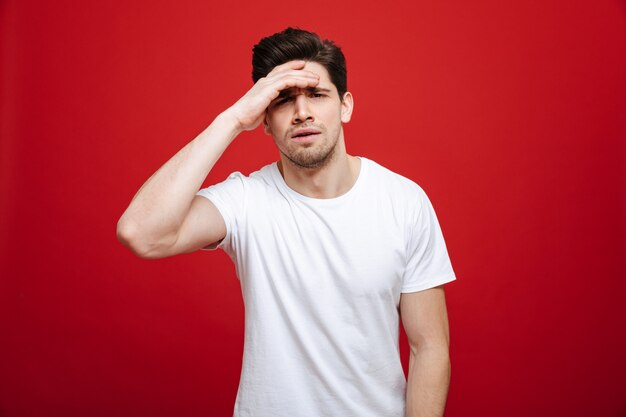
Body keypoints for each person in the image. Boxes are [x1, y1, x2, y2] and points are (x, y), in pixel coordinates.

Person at [117, 27, 456, 417]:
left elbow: (428, 347)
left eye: (316, 94)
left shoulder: (403, 201)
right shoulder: (246, 200)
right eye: (283, 101)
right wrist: (231, 119)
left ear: (345, 105)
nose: (302, 112)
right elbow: (140, 232)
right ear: (263, 119)